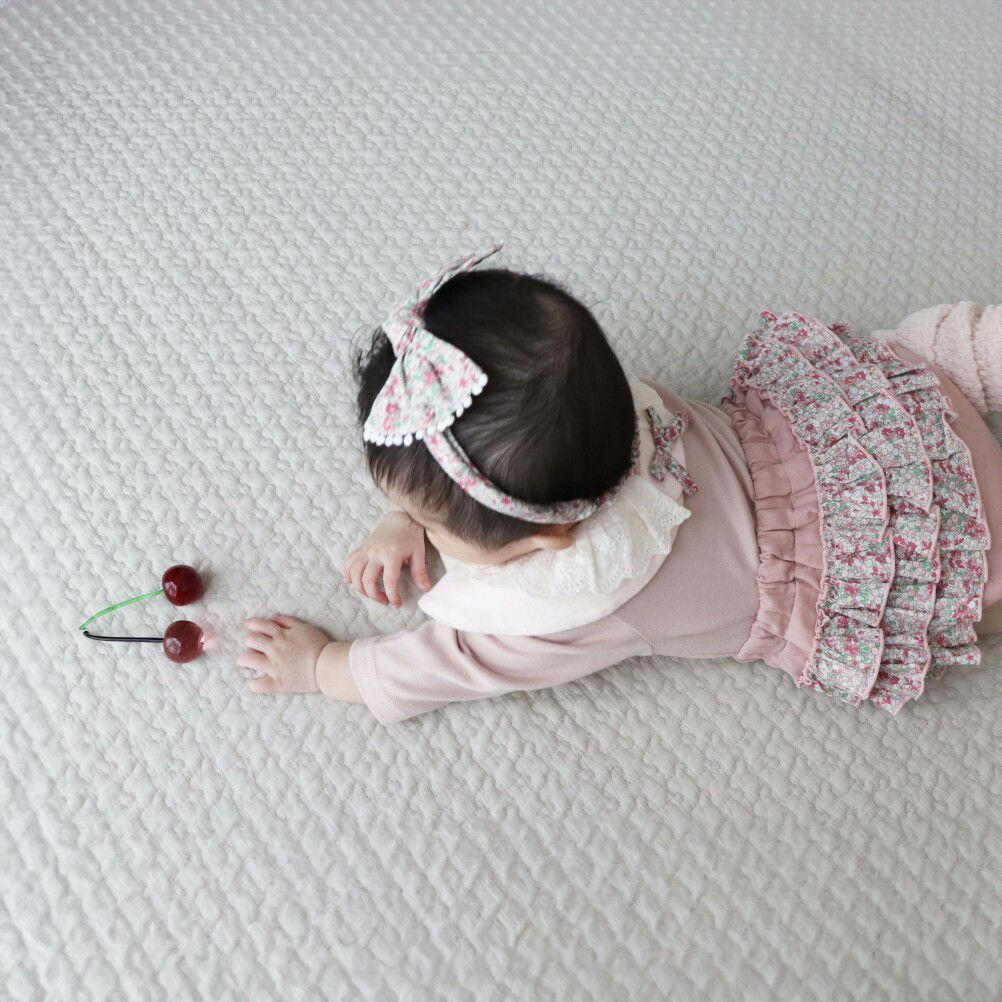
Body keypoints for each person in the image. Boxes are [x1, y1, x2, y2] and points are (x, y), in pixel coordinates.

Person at [238, 244, 1002, 722]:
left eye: (426, 515)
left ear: (552, 538)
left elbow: (451, 665)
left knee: (982, 596)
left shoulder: (576, 600)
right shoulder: (601, 407)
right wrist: (411, 516)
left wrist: (323, 666)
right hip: (864, 426)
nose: (409, 520)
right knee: (929, 350)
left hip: (895, 562)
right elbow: (463, 446)